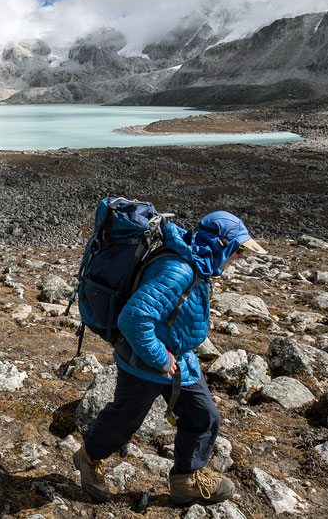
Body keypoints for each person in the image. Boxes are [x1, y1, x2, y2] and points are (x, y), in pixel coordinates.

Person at [72, 211, 267, 506]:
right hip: (145, 361)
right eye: (238, 250)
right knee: (124, 419)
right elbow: (135, 318)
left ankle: (185, 482)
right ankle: (88, 458)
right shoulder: (178, 269)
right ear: (221, 245)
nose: (239, 258)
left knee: (203, 417)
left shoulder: (196, 263)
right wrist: (160, 358)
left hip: (177, 359)